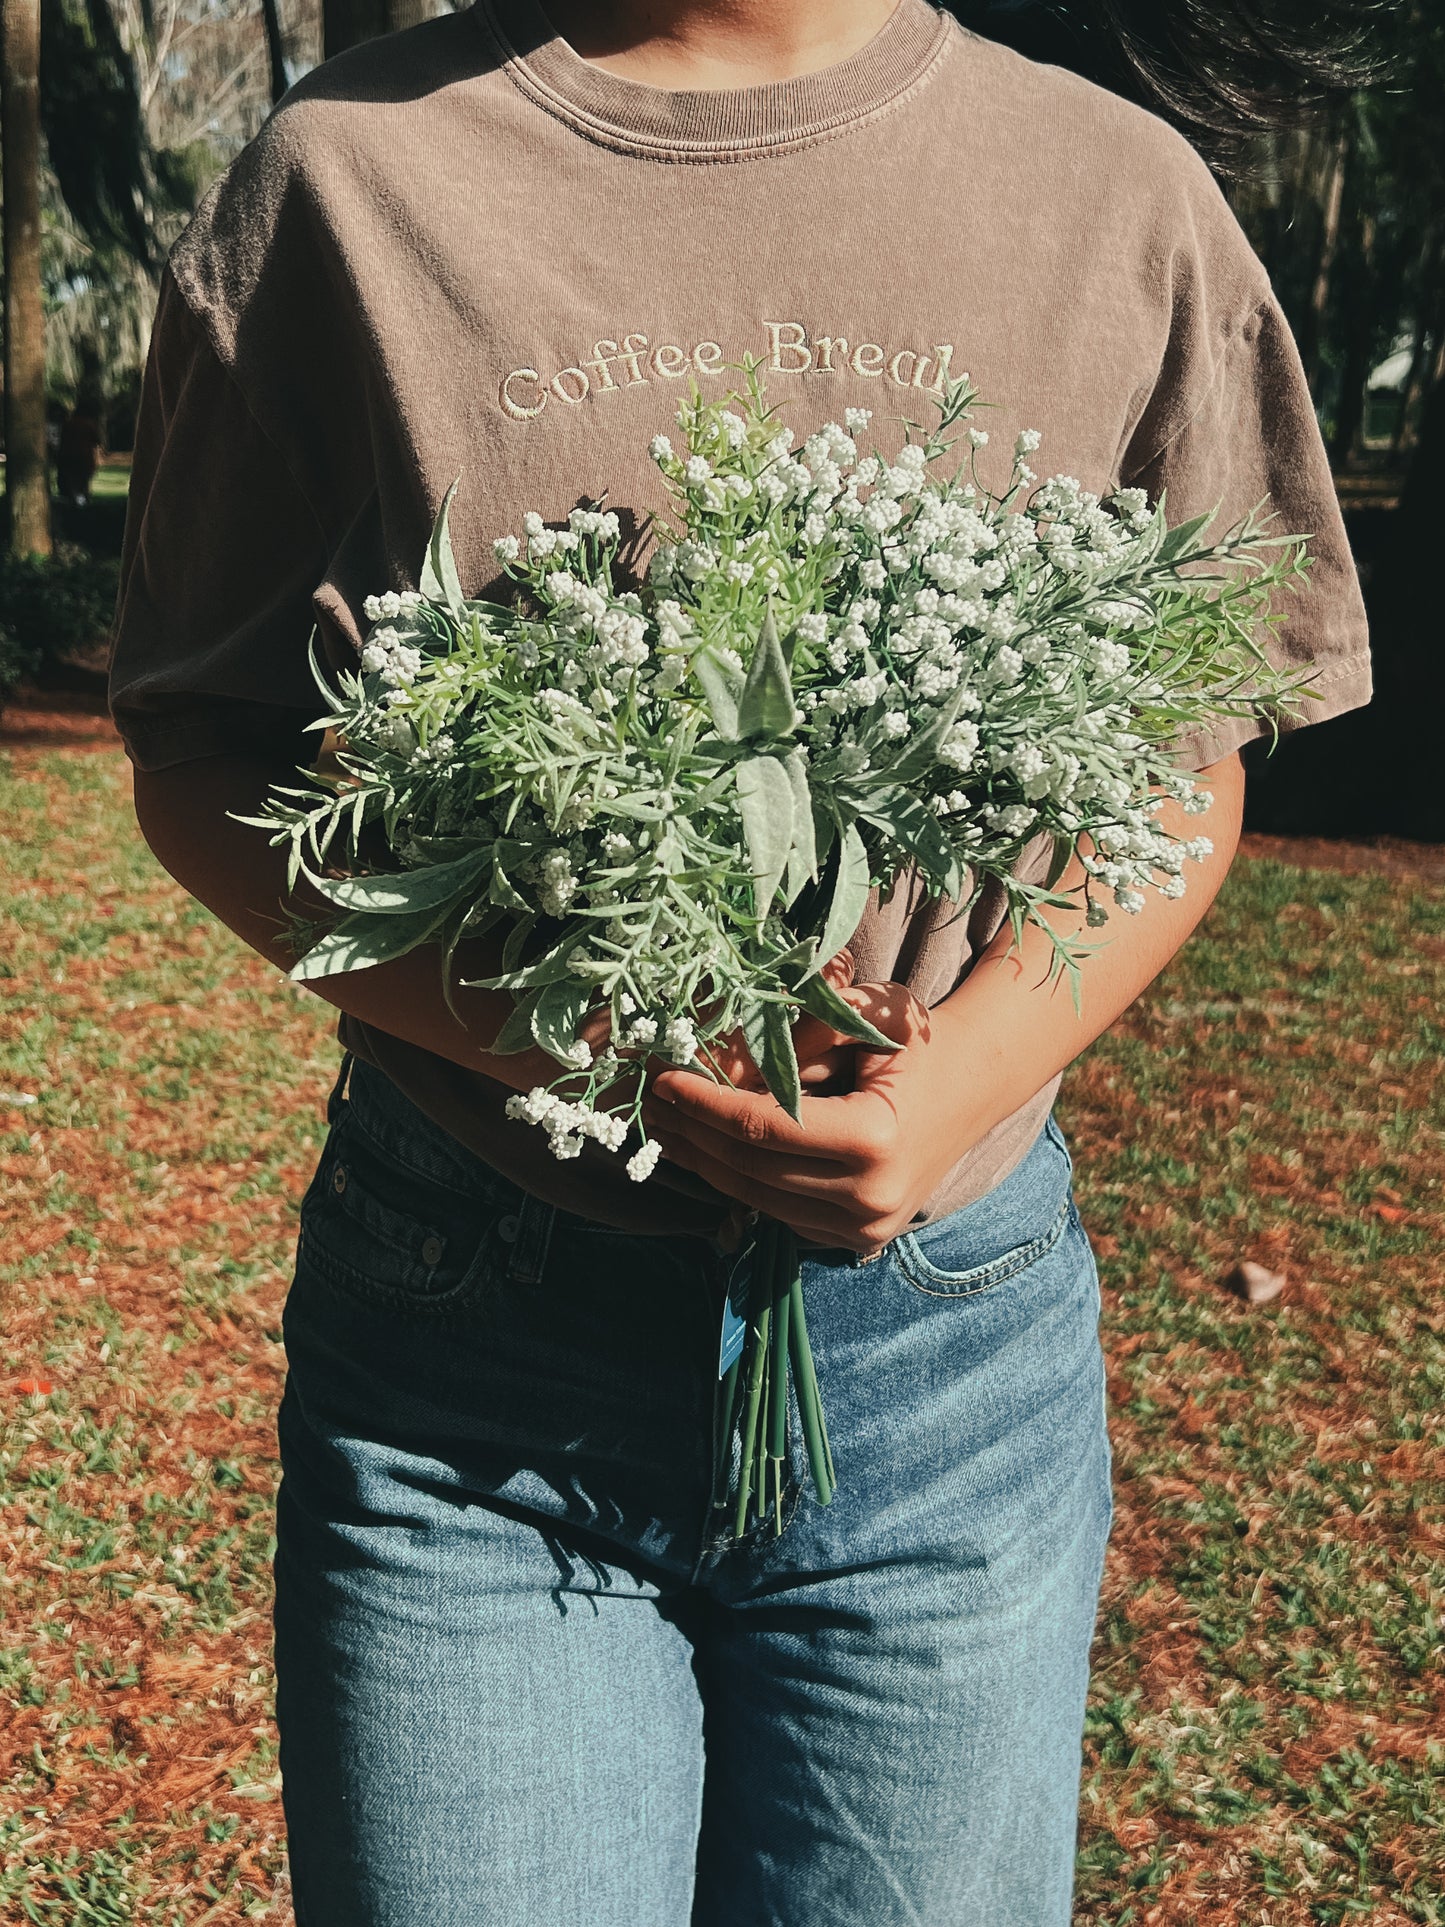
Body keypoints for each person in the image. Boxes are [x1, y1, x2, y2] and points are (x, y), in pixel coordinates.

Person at [106, 1, 1373, 1920]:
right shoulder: (348, 182)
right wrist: (543, 1022)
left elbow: (1192, 772)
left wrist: (943, 1088)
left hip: (951, 1387)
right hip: (472, 1390)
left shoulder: (1115, 197)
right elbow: (202, 755)